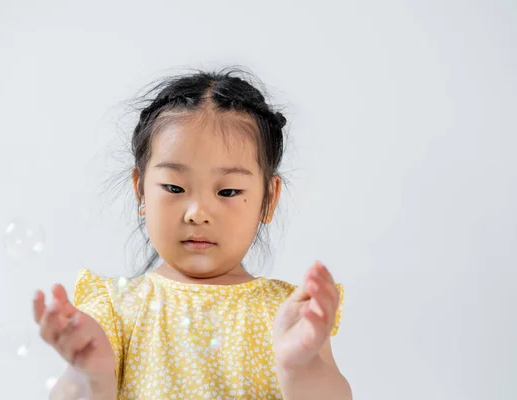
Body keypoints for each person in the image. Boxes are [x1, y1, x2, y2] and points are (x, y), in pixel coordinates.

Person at [33, 67, 352, 399]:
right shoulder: (116, 309)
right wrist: (91, 375)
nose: (197, 213)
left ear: (268, 199)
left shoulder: (287, 314)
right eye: (174, 187)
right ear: (141, 190)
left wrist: (300, 368)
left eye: (227, 192)